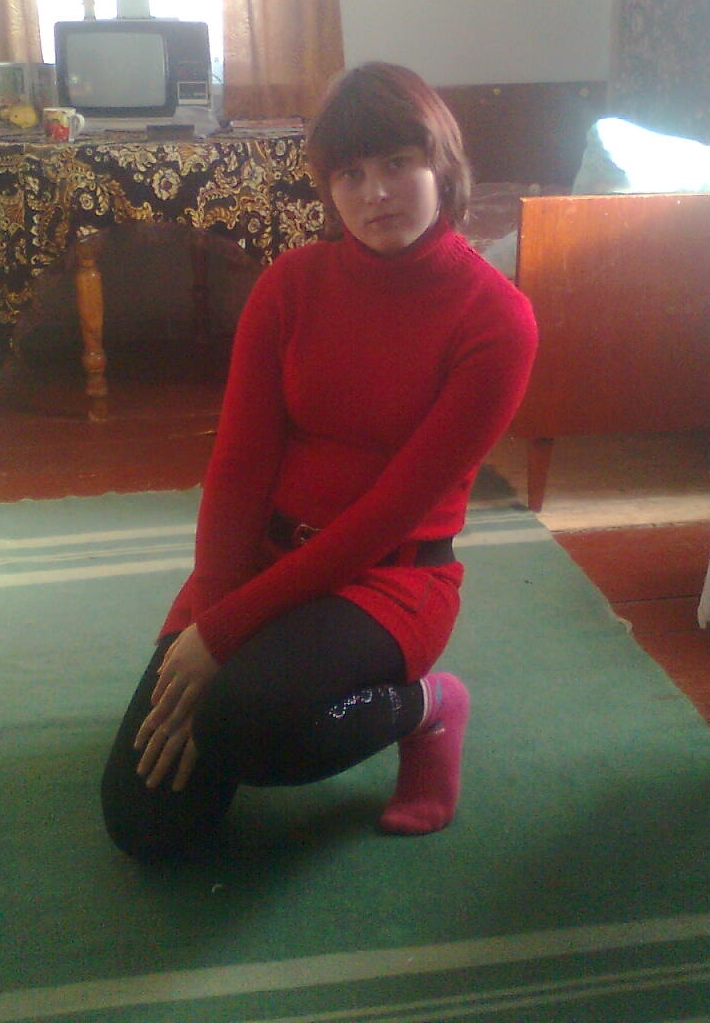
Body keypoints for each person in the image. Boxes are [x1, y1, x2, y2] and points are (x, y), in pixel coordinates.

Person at [101, 62, 538, 862]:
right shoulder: (289, 285)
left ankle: (428, 708)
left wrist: (224, 636)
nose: (376, 193)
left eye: (398, 163)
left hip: (389, 577)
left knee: (244, 724)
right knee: (149, 827)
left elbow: (387, 516)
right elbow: (237, 470)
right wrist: (208, 616)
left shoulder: (497, 320)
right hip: (265, 557)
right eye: (350, 174)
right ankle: (245, 687)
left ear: (442, 164)